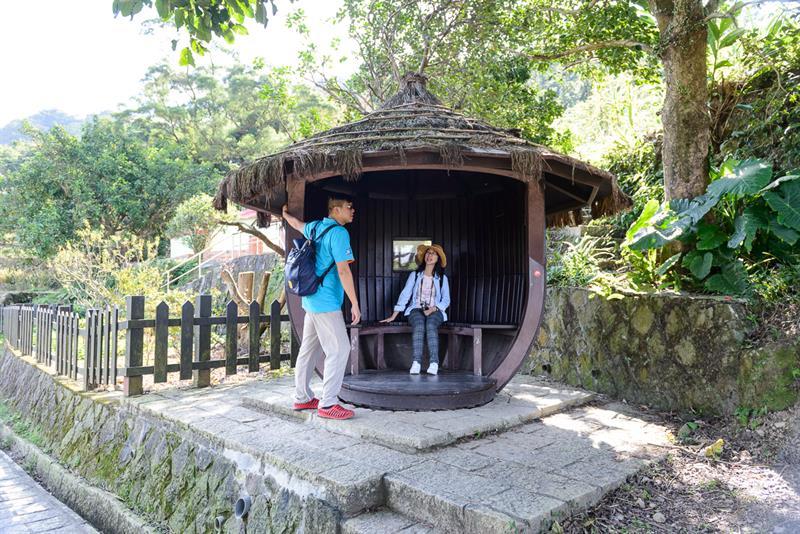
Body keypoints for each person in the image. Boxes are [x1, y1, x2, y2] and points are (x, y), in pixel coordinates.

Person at [282, 198, 361, 420]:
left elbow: (297, 224)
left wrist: (285, 214)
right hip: (325, 302)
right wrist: (354, 303)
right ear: (336, 210)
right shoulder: (339, 233)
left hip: (310, 300)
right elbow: (343, 271)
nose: (352, 210)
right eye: (349, 207)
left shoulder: (315, 226)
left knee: (309, 350)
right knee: (340, 349)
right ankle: (328, 404)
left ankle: (302, 397)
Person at [381, 244, 450, 375]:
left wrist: (434, 308)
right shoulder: (415, 275)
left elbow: (446, 300)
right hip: (416, 308)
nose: (430, 256)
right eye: (428, 253)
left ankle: (434, 363)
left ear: (438, 259)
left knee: (430, 324)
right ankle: (416, 362)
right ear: (424, 257)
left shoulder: (442, 278)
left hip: (436, 310)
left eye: (433, 254)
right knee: (419, 324)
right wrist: (394, 315)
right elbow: (405, 294)